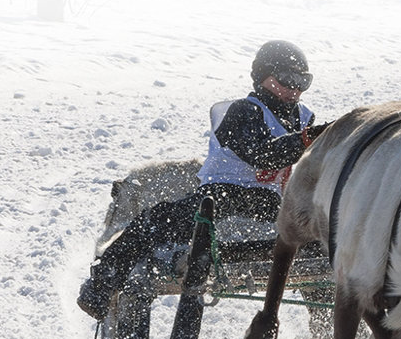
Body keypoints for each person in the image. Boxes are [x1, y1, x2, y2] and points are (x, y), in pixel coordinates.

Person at [77, 40, 326, 321]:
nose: (296, 88)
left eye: (303, 80)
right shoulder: (244, 111)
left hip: (269, 202)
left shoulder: (304, 117)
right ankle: (100, 286)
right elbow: (262, 155)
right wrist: (306, 139)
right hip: (222, 195)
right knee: (152, 222)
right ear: (263, 77)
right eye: (288, 79)